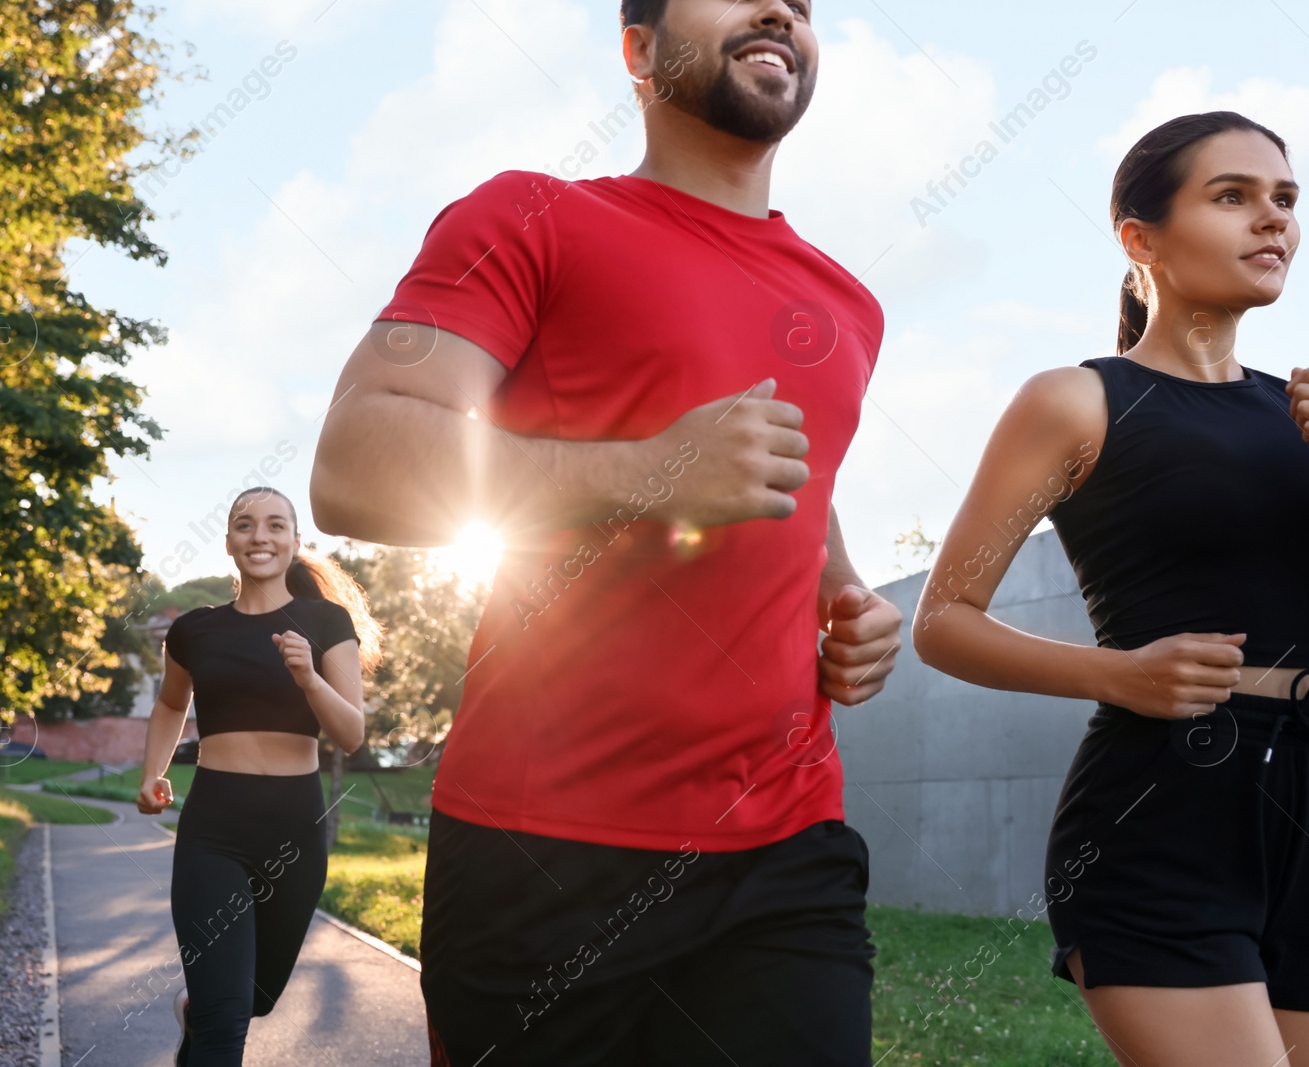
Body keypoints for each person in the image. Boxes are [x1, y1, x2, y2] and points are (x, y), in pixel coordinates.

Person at [310, 1, 903, 1063]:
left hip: (785, 841)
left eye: (803, 3)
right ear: (637, 50)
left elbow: (797, 483)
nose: (780, 8)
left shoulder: (846, 303)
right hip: (542, 856)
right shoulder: (527, 215)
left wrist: (847, 597)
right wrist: (651, 471)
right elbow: (356, 462)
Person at [911, 111, 1309, 1066]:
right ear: (1140, 237)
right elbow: (942, 623)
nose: (1274, 220)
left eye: (1286, 200)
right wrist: (1119, 674)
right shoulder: (1077, 400)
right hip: (1166, 800)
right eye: (1233, 196)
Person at [135, 486, 381, 1066]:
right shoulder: (195, 630)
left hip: (294, 830)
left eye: (275, 525)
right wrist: (152, 773)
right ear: (228, 543)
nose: (260, 536)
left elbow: (351, 733)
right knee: (225, 1029)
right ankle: (209, 1020)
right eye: (245, 526)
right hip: (213, 831)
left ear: (296, 542)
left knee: (255, 999)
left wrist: (309, 678)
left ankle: (198, 1014)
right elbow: (172, 705)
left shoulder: (326, 620)